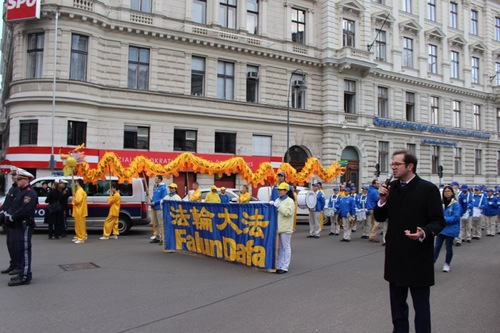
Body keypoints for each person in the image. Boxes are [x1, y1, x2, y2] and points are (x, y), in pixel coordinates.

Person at [374, 150, 445, 333]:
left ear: (410, 166)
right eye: (392, 164)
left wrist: (424, 232)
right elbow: (380, 217)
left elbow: (438, 221)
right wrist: (382, 200)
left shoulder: (427, 189)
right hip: (396, 256)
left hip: (418, 256)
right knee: (397, 307)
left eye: (397, 164)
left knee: (421, 307)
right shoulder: (392, 188)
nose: (393, 167)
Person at [3, 169, 38, 286]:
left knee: (24, 250)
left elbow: (25, 210)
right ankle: (22, 272)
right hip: (18, 224)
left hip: (24, 224)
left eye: (19, 179)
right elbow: (13, 206)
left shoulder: (29, 193)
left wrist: (12, 217)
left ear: (26, 180)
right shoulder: (20, 191)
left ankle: (25, 276)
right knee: (20, 250)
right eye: (16, 179)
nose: (16, 181)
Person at [434, 185, 461, 272]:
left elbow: (456, 217)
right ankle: (431, 263)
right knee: (437, 247)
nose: (447, 193)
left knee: (448, 247)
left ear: (452, 193)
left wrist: (446, 219)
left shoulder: (455, 204)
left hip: (451, 228)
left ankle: (447, 264)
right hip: (441, 229)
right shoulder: (441, 203)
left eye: (449, 191)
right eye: (445, 191)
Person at [0, 171, 20, 276]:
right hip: (8, 220)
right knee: (10, 244)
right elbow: (7, 202)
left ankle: (18, 265)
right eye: (12, 175)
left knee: (16, 245)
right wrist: (2, 211)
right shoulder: (13, 188)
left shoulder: (19, 190)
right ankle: (13, 263)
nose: (13, 177)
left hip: (15, 221)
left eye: (15, 175)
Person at [274, 182, 295, 274]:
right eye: (278, 190)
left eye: (281, 190)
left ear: (286, 191)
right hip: (278, 227)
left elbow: (288, 213)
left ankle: (285, 266)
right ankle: (279, 265)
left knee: (286, 247)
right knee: (280, 248)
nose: (279, 191)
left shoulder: (290, 201)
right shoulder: (278, 199)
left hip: (286, 227)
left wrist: (279, 206)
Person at [149, 175, 167, 244]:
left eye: (156, 178)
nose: (155, 180)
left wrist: (155, 202)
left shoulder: (163, 188)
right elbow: (154, 196)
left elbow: (164, 198)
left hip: (159, 208)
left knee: (160, 223)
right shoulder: (155, 187)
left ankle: (163, 238)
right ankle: (157, 237)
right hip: (154, 207)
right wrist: (152, 201)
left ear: (160, 179)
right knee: (155, 224)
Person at [72, 179, 88, 244]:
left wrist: (74, 200)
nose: (75, 183)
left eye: (76, 182)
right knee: (79, 225)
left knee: (80, 225)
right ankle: (80, 236)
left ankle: (81, 238)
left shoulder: (79, 191)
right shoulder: (80, 190)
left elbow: (78, 201)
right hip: (80, 210)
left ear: (78, 183)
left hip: (79, 210)